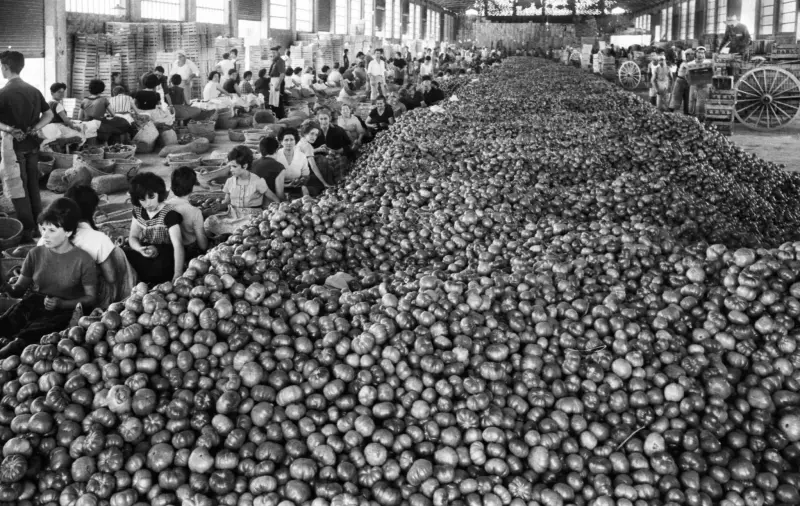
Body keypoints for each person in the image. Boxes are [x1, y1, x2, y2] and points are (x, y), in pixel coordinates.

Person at [0, 198, 97, 359]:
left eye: (51, 231)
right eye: (43, 229)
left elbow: (91, 298)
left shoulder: (83, 260)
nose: (44, 235)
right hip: (34, 303)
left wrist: (62, 304)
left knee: (26, 338)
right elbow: (18, 291)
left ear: (68, 232)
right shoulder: (35, 254)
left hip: (64, 311)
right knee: (6, 323)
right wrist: (5, 286)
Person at [37, 185, 136, 309]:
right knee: (117, 253)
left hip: (52, 296)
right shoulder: (98, 238)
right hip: (89, 300)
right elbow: (111, 278)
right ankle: (122, 299)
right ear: (92, 211)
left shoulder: (45, 237)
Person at [0, 51, 54, 242]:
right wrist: (35, 128)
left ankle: (28, 229)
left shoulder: (3, 93)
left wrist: (9, 129)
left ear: (5, 67)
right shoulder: (33, 90)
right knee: (32, 184)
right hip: (32, 145)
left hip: (14, 147)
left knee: (17, 187)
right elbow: (49, 115)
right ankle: (40, 224)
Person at [125, 173, 185, 284]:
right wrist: (139, 249)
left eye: (151, 197)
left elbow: (178, 245)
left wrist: (178, 273)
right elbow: (132, 237)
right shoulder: (137, 211)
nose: (148, 203)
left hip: (164, 254)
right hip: (145, 250)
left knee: (159, 270)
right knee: (123, 254)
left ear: (159, 194)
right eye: (142, 199)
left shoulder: (169, 214)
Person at [168, 166, 209, 260]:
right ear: (193, 187)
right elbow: (203, 245)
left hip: (170, 252)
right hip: (189, 253)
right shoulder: (195, 212)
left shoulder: (165, 206)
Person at [80, 79, 135, 144]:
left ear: (90, 89)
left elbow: (80, 117)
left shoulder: (84, 101)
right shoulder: (104, 100)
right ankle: (124, 141)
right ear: (102, 89)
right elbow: (113, 114)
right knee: (122, 122)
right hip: (100, 124)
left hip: (86, 124)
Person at [275, 128, 311, 194]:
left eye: (292, 140)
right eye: (286, 140)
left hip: (296, 186)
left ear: (295, 141)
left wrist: (300, 181)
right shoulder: (276, 156)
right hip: (278, 187)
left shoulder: (302, 156)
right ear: (281, 142)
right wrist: (286, 185)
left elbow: (306, 175)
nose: (289, 143)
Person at [251, 137, 286, 202]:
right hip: (268, 205)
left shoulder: (251, 164)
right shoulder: (279, 167)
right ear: (276, 150)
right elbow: (280, 194)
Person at [687, 46, 712, 119]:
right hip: (694, 85)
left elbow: (712, 74)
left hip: (704, 86)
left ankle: (702, 117)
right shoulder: (690, 63)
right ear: (696, 53)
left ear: (704, 54)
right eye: (699, 52)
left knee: (703, 102)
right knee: (691, 100)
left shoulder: (708, 63)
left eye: (702, 53)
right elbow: (687, 75)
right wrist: (690, 82)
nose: (700, 54)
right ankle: (690, 116)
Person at [669, 49, 693, 115]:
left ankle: (687, 112)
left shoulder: (690, 63)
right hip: (680, 81)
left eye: (693, 54)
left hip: (687, 82)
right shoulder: (684, 63)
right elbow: (688, 72)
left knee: (687, 98)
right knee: (675, 97)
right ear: (687, 55)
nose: (693, 56)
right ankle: (670, 112)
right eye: (691, 54)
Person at [268, 46, 286, 117]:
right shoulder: (274, 61)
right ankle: (274, 115)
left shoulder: (280, 61)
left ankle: (280, 117)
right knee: (273, 101)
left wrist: (278, 85)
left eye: (274, 52)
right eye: (272, 53)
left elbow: (282, 74)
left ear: (278, 53)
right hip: (273, 82)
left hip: (278, 82)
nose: (273, 54)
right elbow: (271, 74)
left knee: (278, 101)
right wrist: (270, 82)